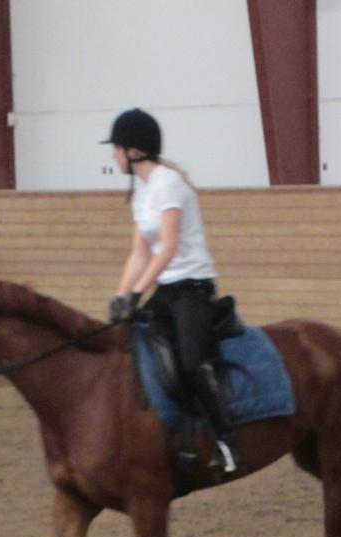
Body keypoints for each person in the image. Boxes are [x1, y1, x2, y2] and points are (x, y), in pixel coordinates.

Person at [103, 107, 240, 473]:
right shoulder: (142, 193)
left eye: (116, 148)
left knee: (193, 362)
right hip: (165, 289)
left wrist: (137, 293)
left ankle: (226, 441)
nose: (113, 155)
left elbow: (169, 246)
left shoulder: (169, 185)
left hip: (193, 288)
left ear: (133, 151)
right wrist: (121, 295)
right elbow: (140, 252)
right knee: (134, 345)